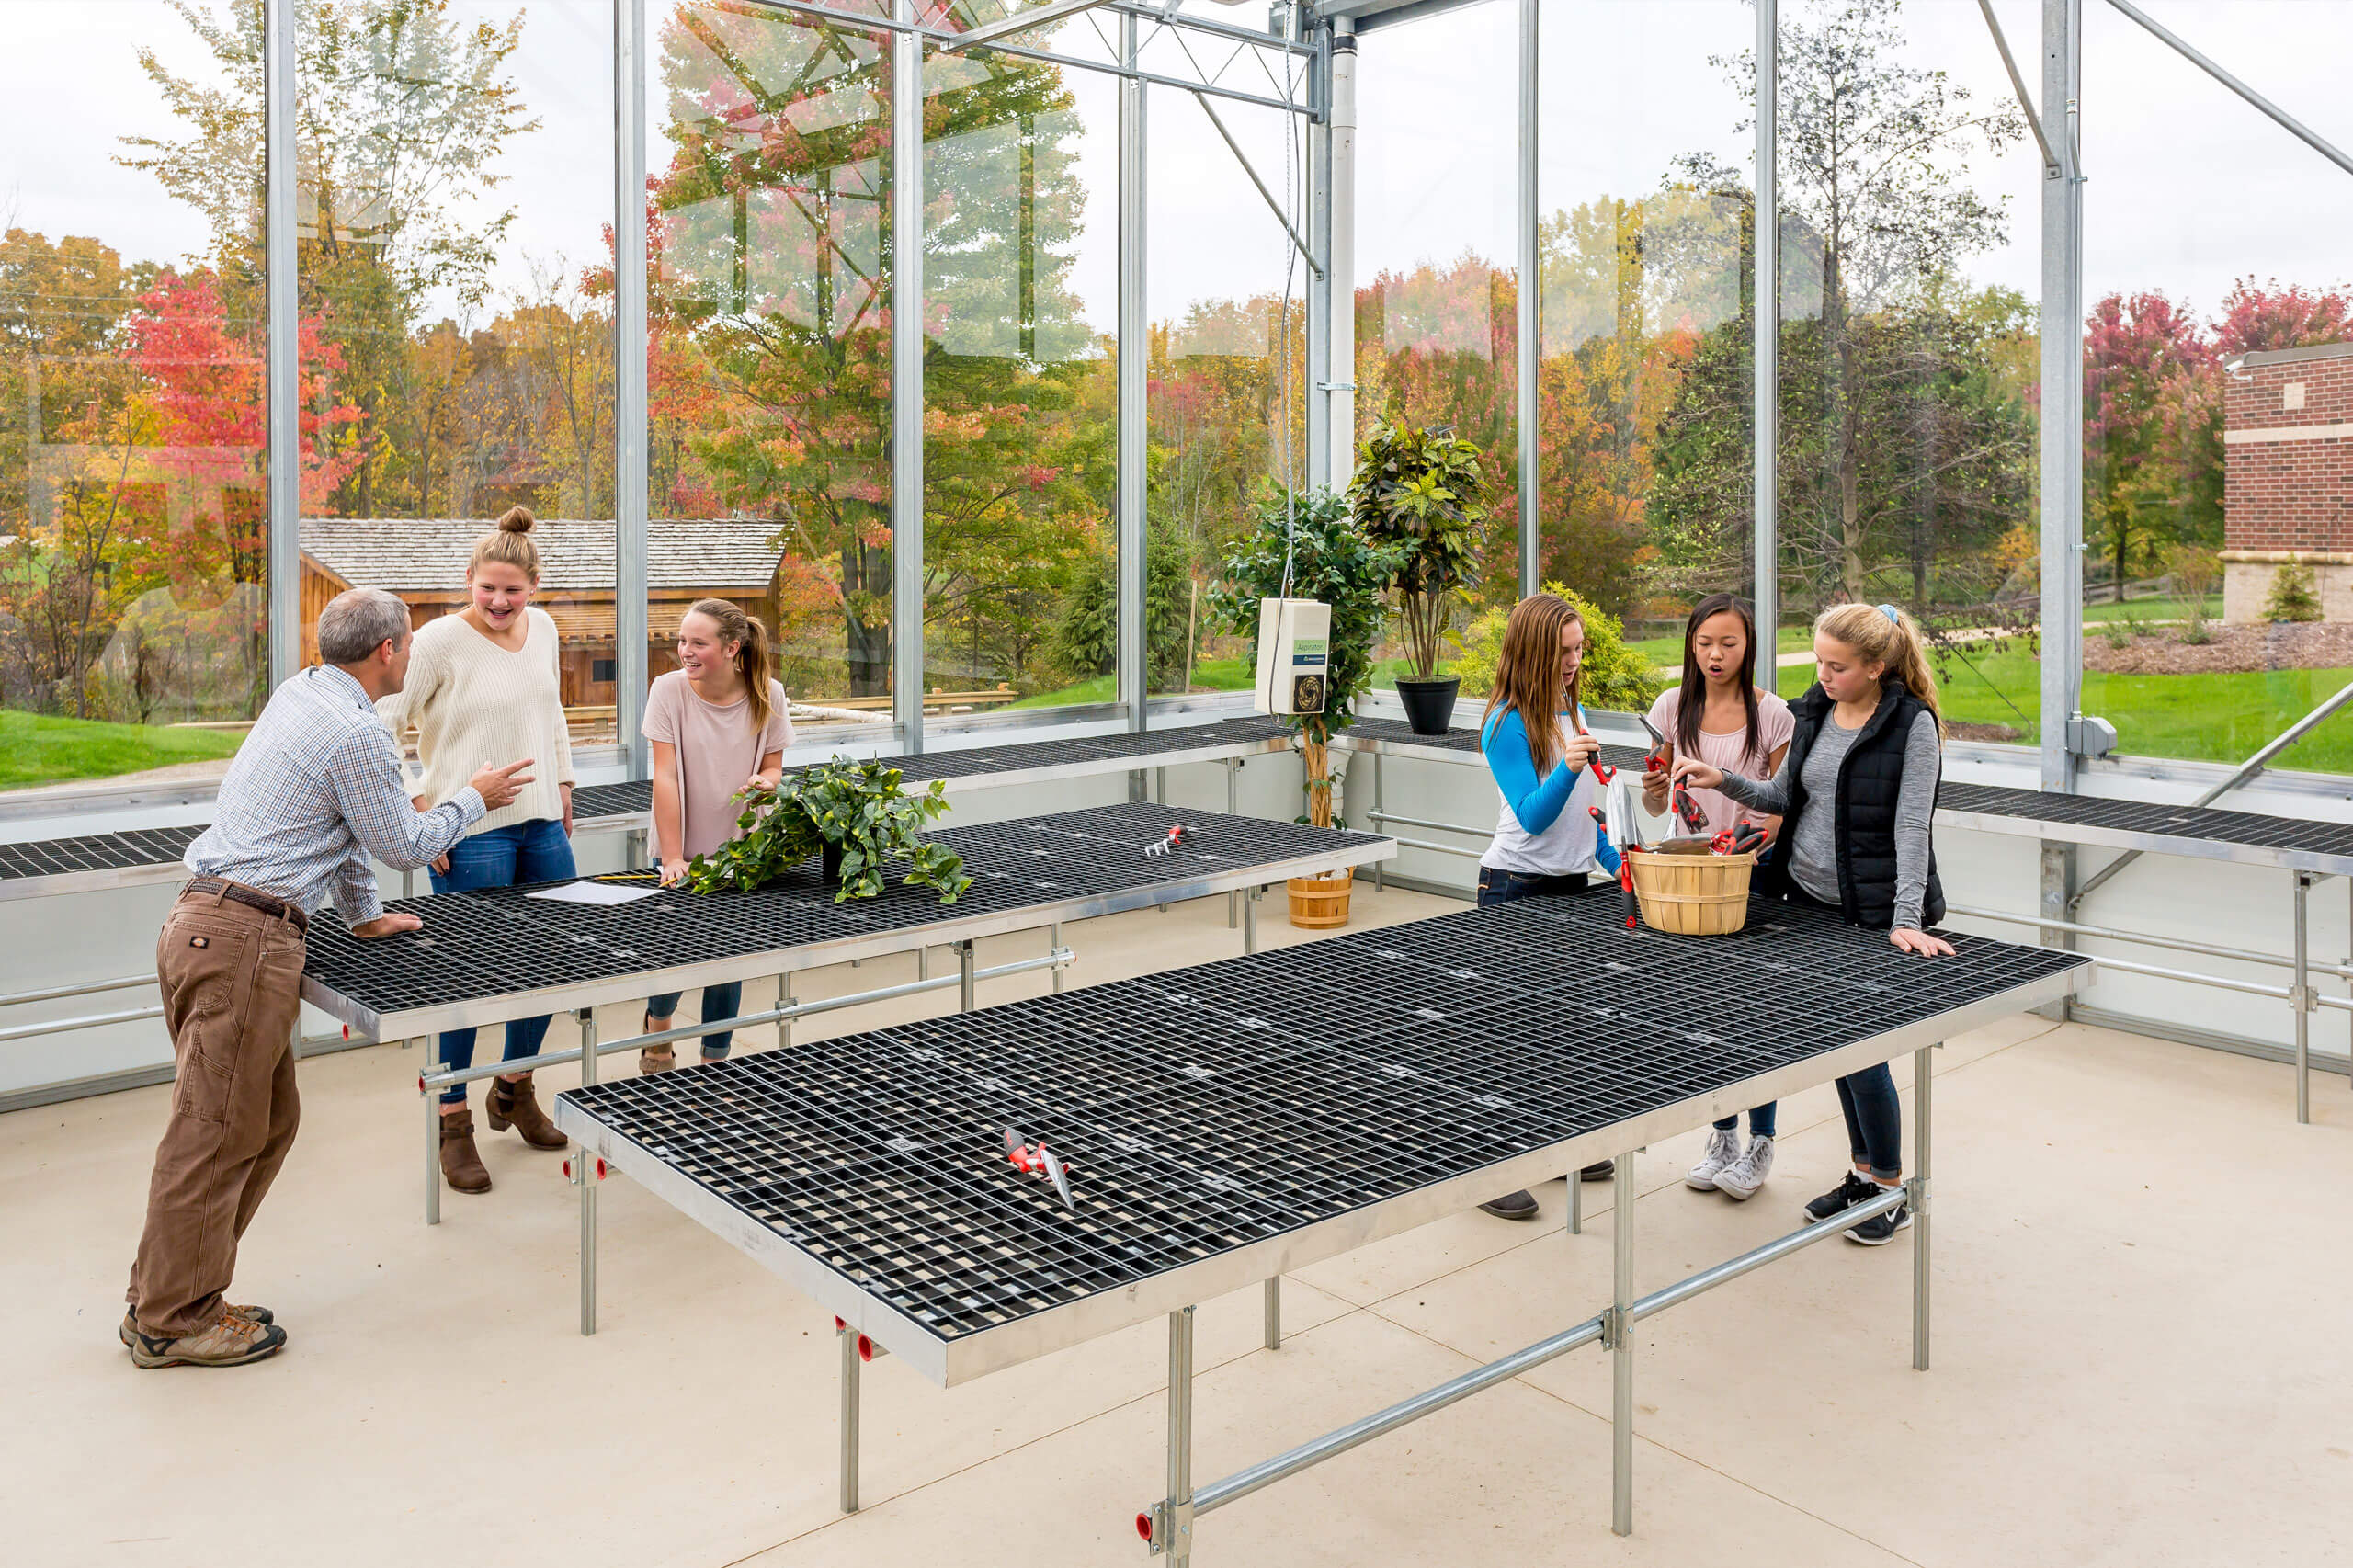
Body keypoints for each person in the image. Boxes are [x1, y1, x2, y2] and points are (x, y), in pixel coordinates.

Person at [122, 588, 533, 1368]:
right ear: (388, 651)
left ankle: (179, 1292)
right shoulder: (355, 732)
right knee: (213, 1136)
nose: (409, 655)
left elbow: (340, 830)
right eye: (407, 645)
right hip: (244, 942)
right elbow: (405, 841)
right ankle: (170, 1316)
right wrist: (473, 799)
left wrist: (362, 914)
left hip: (209, 925)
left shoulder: (302, 695)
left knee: (263, 1125)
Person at [1673, 601, 1955, 1246]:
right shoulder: (1813, 712)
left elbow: (1913, 828)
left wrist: (1904, 920)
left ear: (1877, 666)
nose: (1823, 675)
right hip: (1805, 904)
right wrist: (1727, 779)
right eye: (1820, 661)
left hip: (1869, 913)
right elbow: (1782, 797)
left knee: (1867, 1058)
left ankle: (1890, 1190)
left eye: (1837, 666)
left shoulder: (1911, 725)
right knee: (1837, 1049)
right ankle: (1862, 1177)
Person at [375, 506, 578, 1195]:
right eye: (487, 588)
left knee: (555, 965)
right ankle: (453, 1119)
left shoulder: (544, 629)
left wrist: (566, 781)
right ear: (469, 580)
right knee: (464, 980)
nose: (498, 602)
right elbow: (379, 722)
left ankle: (515, 1088)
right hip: (469, 831)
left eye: (512, 591)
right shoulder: (435, 643)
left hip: (543, 824)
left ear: (534, 588)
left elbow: (550, 713)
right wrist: (414, 803)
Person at [1473, 592, 1623, 1221]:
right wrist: (1567, 767)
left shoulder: (1571, 707)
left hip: (1569, 885)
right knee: (1508, 1035)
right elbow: (1534, 820)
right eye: (1562, 651)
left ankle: (1563, 1143)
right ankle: (1487, 1167)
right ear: (1532, 651)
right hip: (1515, 884)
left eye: (1579, 648)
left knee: (1565, 1025)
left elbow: (1586, 822)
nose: (1573, 660)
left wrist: (1627, 867)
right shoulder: (1505, 722)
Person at [1641, 593, 1793, 1201]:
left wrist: (1752, 843)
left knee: (1758, 1013)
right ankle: (1722, 1136)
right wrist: (1656, 786)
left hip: (1752, 878)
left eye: (1728, 643)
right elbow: (1656, 805)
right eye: (1705, 643)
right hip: (1689, 880)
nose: (1715, 654)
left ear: (1748, 647)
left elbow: (1785, 806)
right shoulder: (1671, 708)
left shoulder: (1775, 716)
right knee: (1706, 1013)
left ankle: (1762, 1143)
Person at [638, 599, 793, 1073]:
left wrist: (767, 782)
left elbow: (773, 766)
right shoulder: (668, 691)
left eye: (697, 643)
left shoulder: (769, 694)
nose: (685, 651)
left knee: (728, 963)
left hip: (740, 855)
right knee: (671, 953)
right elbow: (665, 777)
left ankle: (715, 1068)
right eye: (682, 641)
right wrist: (671, 856)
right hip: (677, 848)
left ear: (731, 648)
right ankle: (658, 1033)